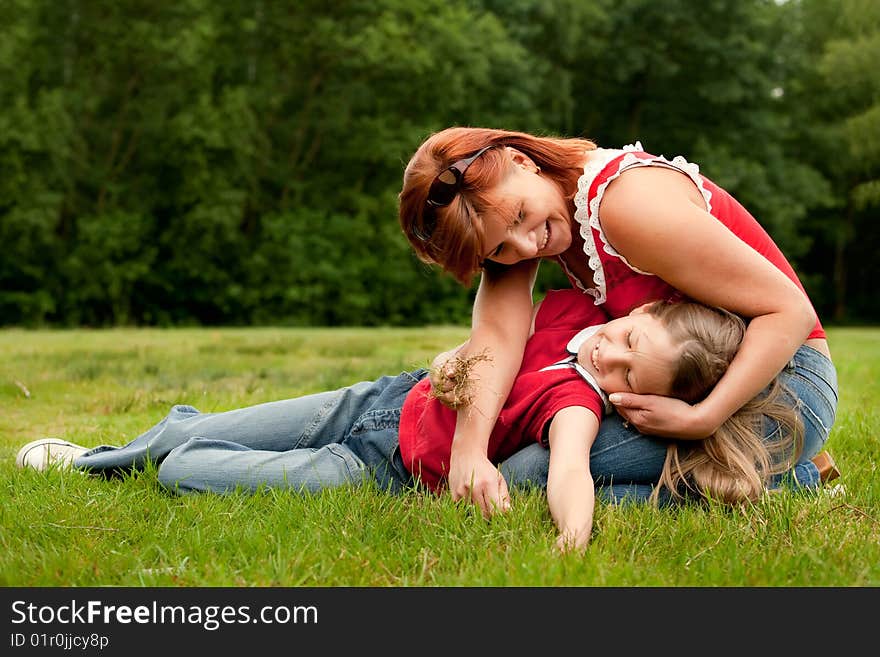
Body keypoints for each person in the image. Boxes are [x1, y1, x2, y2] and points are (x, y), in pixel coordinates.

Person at [16, 292, 795, 552]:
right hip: (377, 401)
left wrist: (573, 539)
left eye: (632, 375)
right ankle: (96, 459)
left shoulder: (580, 403)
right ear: (639, 308)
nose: (611, 358)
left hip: (377, 470)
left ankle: (185, 443)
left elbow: (566, 470)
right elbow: (489, 331)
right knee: (185, 435)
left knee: (188, 469)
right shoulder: (570, 310)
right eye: (627, 339)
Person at [398, 127, 839, 517]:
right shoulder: (517, 225)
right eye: (498, 250)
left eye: (517, 218)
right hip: (691, 379)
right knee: (526, 466)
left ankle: (783, 476)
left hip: (786, 384)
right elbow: (497, 335)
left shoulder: (627, 205)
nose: (526, 245)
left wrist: (703, 417)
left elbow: (790, 311)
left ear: (522, 161)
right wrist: (468, 452)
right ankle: (768, 464)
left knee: (526, 476)